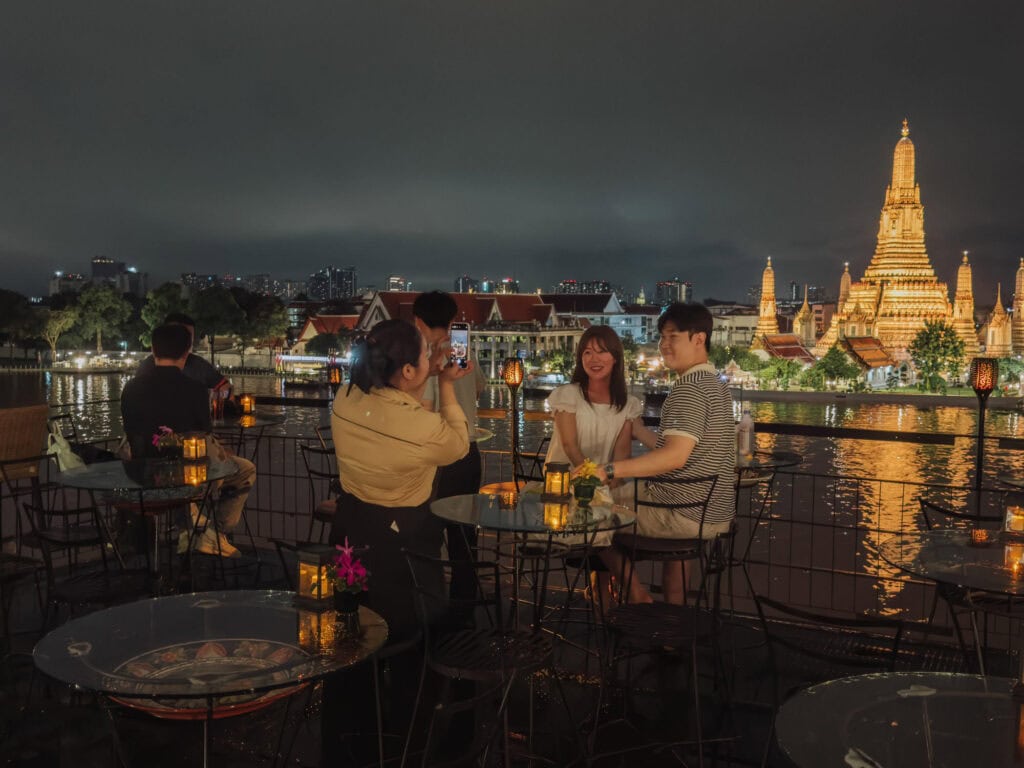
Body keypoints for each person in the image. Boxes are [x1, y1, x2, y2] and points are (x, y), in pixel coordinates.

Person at [324, 318, 472, 763]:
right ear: (406, 371)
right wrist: (447, 385)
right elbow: (457, 444)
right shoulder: (420, 428)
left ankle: (352, 730)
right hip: (401, 543)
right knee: (411, 639)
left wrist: (425, 370)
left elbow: (401, 409)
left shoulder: (347, 397)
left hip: (351, 528)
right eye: (425, 353)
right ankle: (408, 739)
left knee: (352, 629)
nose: (432, 357)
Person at [593, 303, 735, 605]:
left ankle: (635, 595)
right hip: (712, 511)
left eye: (673, 337)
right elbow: (682, 449)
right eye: (662, 337)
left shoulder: (689, 389)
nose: (664, 344)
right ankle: (674, 618)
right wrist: (640, 431)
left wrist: (609, 469)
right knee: (614, 499)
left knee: (587, 511)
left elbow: (675, 458)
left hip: (680, 513)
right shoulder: (716, 384)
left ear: (699, 338)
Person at [122, 322, 253, 558]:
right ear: (187, 352)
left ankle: (191, 529)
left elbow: (131, 433)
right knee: (245, 470)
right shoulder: (194, 390)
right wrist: (223, 453)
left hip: (141, 478)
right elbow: (203, 437)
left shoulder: (130, 389)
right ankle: (214, 533)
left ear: (153, 349)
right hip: (188, 481)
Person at [414, 291, 487, 602]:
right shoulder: (463, 351)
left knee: (427, 533)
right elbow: (480, 387)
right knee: (464, 534)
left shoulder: (425, 359)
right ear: (452, 320)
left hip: (438, 457)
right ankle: (463, 606)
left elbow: (425, 409)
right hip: (468, 452)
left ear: (418, 321)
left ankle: (429, 603)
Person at [545, 325, 642, 506]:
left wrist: (609, 483)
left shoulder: (628, 405)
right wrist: (592, 481)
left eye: (602, 352)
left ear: (615, 357)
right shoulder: (568, 396)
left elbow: (622, 454)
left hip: (606, 485)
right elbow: (570, 446)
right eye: (588, 352)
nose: (594, 359)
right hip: (565, 484)